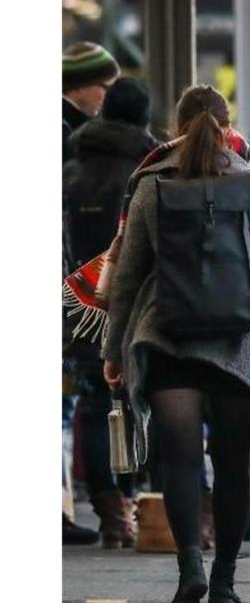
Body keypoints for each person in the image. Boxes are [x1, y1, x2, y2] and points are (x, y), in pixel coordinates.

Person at [101, 85, 250, 603]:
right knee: (232, 465)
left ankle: (189, 568)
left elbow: (126, 277)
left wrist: (113, 347)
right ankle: (225, 583)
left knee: (182, 461)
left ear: (176, 125)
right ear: (227, 125)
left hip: (168, 338)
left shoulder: (151, 183)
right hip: (241, 340)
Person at [64, 77, 158, 548]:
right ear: (144, 117)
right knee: (146, 399)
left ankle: (113, 516)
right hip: (142, 303)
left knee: (95, 403)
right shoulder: (150, 170)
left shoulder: (70, 169)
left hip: (84, 303)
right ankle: (143, 502)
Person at [62, 41, 121, 546]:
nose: (106, 94)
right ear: (80, 86)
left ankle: (109, 512)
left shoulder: (76, 148)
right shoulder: (68, 141)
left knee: (85, 400)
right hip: (85, 294)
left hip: (77, 293)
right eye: (103, 85)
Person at [63, 42, 121, 164]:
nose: (111, 96)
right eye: (107, 87)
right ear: (81, 86)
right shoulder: (65, 133)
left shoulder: (78, 127)